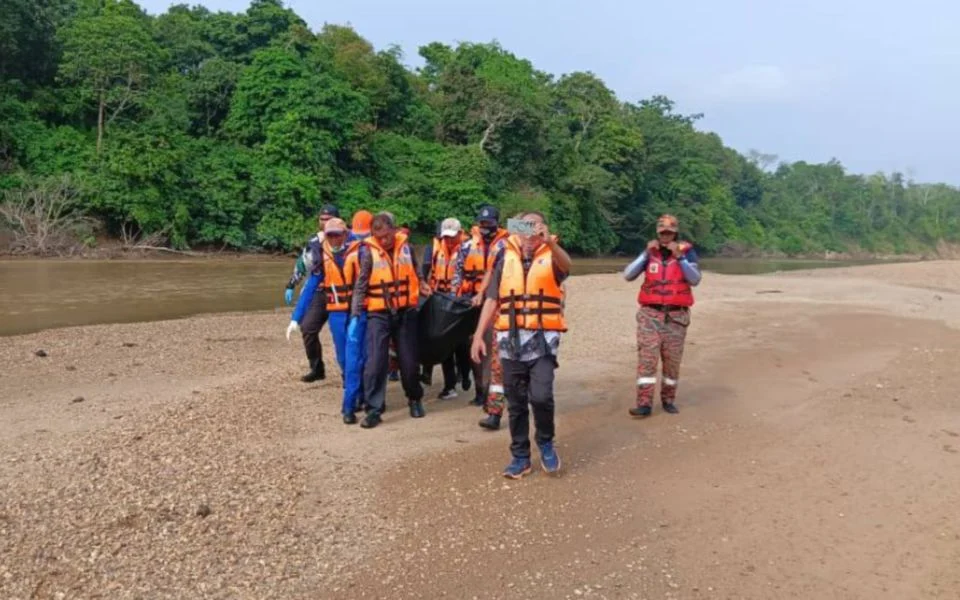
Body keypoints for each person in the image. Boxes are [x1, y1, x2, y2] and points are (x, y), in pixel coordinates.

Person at [470, 211, 572, 479]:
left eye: (535, 228)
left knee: (541, 396)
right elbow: (492, 299)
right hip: (510, 340)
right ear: (516, 230)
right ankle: (520, 456)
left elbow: (567, 266)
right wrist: (479, 334)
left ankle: (546, 442)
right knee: (515, 402)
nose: (529, 234)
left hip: (543, 339)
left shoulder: (552, 256)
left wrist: (549, 242)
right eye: (523, 228)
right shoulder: (505, 256)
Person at [350, 212, 432, 428]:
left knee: (408, 362)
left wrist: (422, 283)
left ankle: (415, 398)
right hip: (379, 313)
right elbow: (361, 284)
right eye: (379, 238)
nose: (384, 241)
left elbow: (415, 269)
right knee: (375, 363)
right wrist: (355, 314)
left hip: (405, 312)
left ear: (394, 231)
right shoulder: (368, 252)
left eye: (387, 236)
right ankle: (374, 409)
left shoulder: (406, 246)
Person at [622, 214, 702, 417]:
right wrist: (645, 255)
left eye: (670, 233)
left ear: (675, 234)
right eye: (662, 233)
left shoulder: (687, 253)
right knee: (647, 360)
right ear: (657, 233)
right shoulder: (650, 253)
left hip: (676, 317)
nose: (666, 236)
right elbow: (628, 274)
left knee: (672, 361)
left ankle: (668, 399)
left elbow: (695, 279)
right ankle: (644, 403)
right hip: (650, 314)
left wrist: (680, 258)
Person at [452, 205, 510, 410]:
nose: (485, 227)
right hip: (471, 303)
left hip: (497, 303)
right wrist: (454, 298)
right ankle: (479, 391)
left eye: (490, 224)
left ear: (497, 224)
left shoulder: (507, 245)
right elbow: (457, 274)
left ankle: (492, 396)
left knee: (494, 350)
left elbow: (533, 232)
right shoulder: (467, 246)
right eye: (482, 223)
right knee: (474, 349)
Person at [284, 204, 340, 382]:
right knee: (308, 328)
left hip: (340, 291)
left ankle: (352, 372)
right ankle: (316, 368)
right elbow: (303, 264)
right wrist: (292, 284)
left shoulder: (346, 239)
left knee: (343, 332)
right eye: (321, 219)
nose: (324, 223)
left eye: (328, 219)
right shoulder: (314, 241)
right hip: (318, 291)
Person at [420, 217, 469, 400]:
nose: (448, 240)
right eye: (446, 237)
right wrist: (423, 284)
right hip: (440, 299)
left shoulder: (468, 248)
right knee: (443, 341)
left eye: (452, 237)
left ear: (460, 233)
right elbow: (424, 272)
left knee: (462, 343)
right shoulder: (434, 248)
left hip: (459, 301)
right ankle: (449, 385)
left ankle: (465, 374)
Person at [342, 210, 373, 423]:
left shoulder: (360, 251)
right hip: (359, 312)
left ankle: (365, 401)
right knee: (355, 360)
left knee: (370, 360)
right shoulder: (353, 252)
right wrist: (353, 316)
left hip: (373, 312)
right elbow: (358, 286)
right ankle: (349, 406)